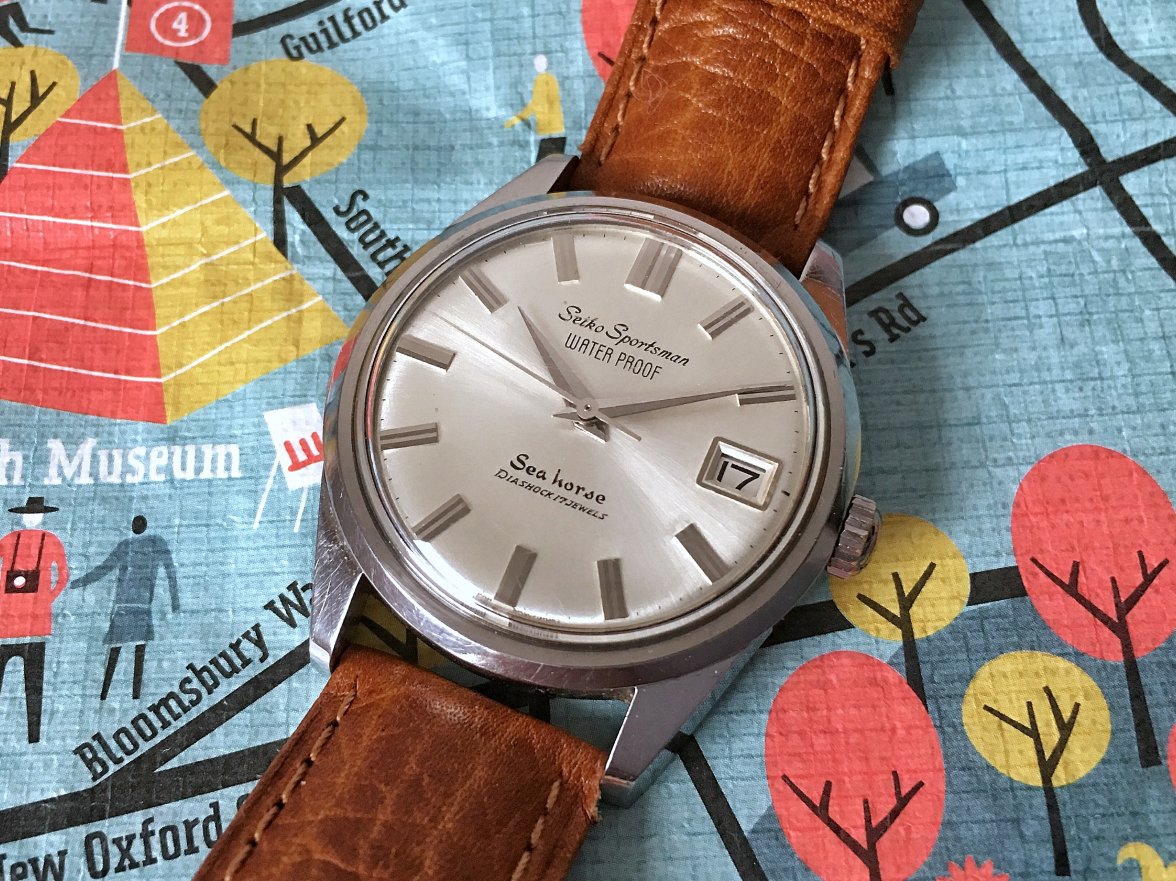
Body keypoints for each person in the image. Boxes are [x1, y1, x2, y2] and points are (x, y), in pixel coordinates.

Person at [73, 515, 179, 701]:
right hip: (130, 604)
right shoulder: (131, 545)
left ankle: (129, 695)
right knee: (125, 650)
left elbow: (170, 571)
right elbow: (105, 568)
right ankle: (111, 694)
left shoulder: (151, 543)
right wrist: (80, 582)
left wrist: (175, 601)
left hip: (136, 604)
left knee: (131, 651)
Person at [0, 496, 68, 743]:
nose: (31, 518)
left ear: (42, 517)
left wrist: (46, 598)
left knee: (34, 687)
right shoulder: (9, 539)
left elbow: (63, 575)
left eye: (35, 514)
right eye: (28, 514)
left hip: (35, 626)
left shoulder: (51, 540)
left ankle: (34, 737)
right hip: (5, 624)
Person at [503, 54, 566, 162]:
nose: (538, 65)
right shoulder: (547, 79)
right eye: (537, 63)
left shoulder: (543, 80)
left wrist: (517, 118)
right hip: (552, 128)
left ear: (546, 64)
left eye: (540, 63)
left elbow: (537, 104)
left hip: (549, 129)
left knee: (546, 165)